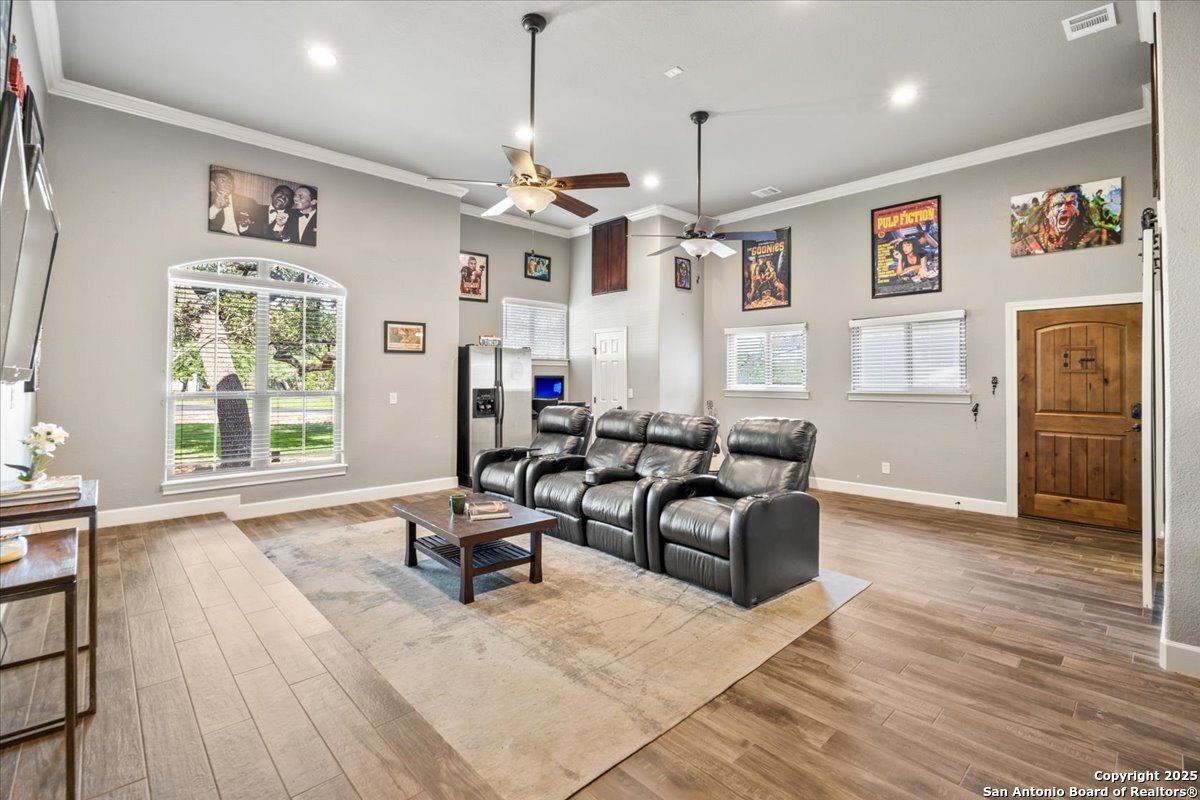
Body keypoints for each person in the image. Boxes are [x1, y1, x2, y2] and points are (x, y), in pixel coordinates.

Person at [208, 168, 265, 236]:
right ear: (213, 184)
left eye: (230, 180)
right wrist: (216, 207)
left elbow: (258, 227)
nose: (228, 183)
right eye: (222, 180)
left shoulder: (248, 202)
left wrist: (244, 226)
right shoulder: (205, 197)